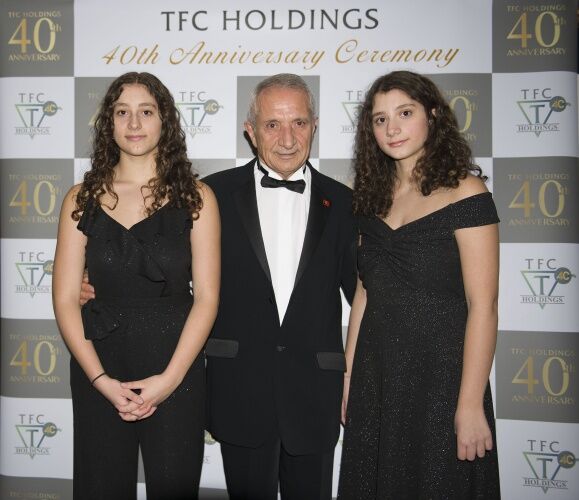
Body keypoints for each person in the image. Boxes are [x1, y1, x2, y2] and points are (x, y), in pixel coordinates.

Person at [53, 72, 220, 500]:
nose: (133, 123)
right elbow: (66, 299)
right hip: (99, 362)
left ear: (165, 120)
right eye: (122, 112)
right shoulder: (80, 199)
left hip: (176, 364)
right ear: (108, 123)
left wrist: (170, 379)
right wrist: (100, 380)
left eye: (146, 111)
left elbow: (206, 299)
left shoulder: (197, 197)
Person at [338, 71, 500, 499]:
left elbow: (483, 306)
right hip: (377, 375)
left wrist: (470, 403)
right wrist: (349, 376)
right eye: (380, 119)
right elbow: (363, 296)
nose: (392, 128)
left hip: (442, 378)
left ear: (432, 115)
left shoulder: (466, 192)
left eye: (405, 113)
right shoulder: (370, 198)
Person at [202, 74, 357, 499]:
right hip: (239, 388)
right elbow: (174, 273)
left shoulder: (346, 203)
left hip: (316, 394)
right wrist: (98, 284)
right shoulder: (211, 195)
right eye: (272, 124)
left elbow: (367, 296)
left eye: (299, 123)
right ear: (250, 131)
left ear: (314, 126)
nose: (287, 139)